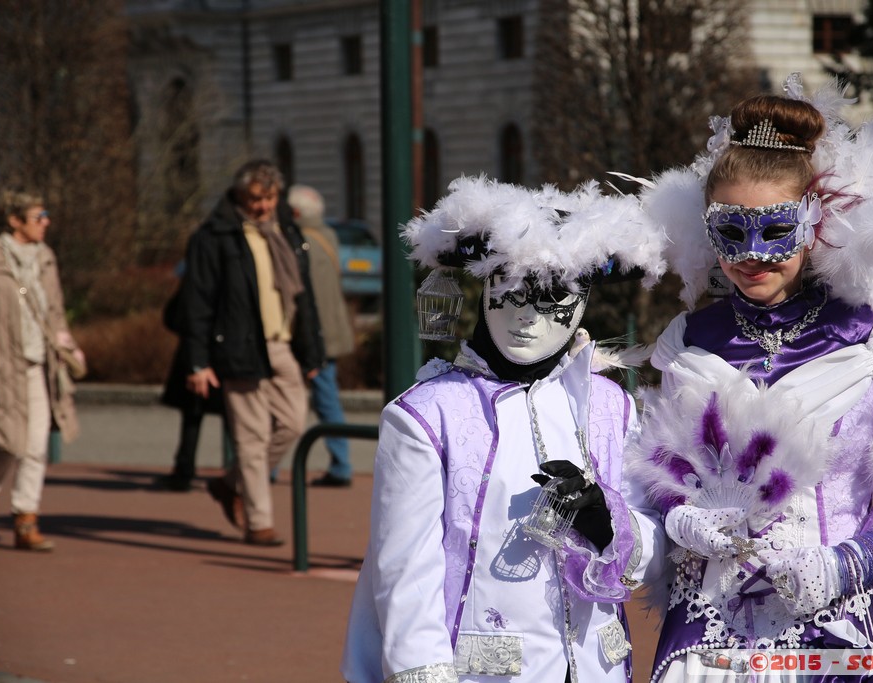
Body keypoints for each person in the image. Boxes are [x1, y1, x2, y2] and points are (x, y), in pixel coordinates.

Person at [625, 74, 873, 681]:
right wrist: (676, 513)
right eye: (732, 232)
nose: (753, 255)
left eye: (775, 230)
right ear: (707, 227)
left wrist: (852, 562)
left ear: (814, 221)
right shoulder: (686, 342)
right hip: (709, 637)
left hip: (836, 624)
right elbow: (657, 468)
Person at [341, 175, 670, 683]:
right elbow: (405, 573)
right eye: (512, 292)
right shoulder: (430, 415)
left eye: (554, 299)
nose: (528, 319)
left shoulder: (611, 406)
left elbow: (650, 555)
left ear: (583, 302)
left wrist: (608, 522)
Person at [180, 160, 326, 546]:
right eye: (255, 199)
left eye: (270, 197)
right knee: (251, 437)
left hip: (282, 345)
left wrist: (312, 353)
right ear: (240, 197)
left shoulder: (285, 232)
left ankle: (231, 484)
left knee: (293, 424)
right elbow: (197, 301)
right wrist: (198, 361)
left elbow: (304, 296)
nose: (263, 206)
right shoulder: (216, 236)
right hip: (239, 347)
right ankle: (259, 522)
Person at [0, 188, 85, 551]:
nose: (46, 222)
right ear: (14, 220)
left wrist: (69, 349)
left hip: (39, 365)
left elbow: (54, 313)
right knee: (7, 445)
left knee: (36, 445)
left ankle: (25, 517)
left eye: (46, 214)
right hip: (1, 368)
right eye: (39, 216)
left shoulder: (45, 258)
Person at [285, 184, 357, 487]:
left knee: (284, 399)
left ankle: (270, 467)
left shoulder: (296, 241)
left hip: (309, 333)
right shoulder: (327, 234)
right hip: (331, 329)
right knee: (328, 397)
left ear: (296, 213)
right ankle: (341, 463)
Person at [153, 260, 227, 492]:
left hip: (198, 352)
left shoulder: (196, 276)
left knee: (193, 417)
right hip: (224, 356)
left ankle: (184, 470)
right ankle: (240, 473)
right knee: (236, 416)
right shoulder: (233, 272)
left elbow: (174, 316)